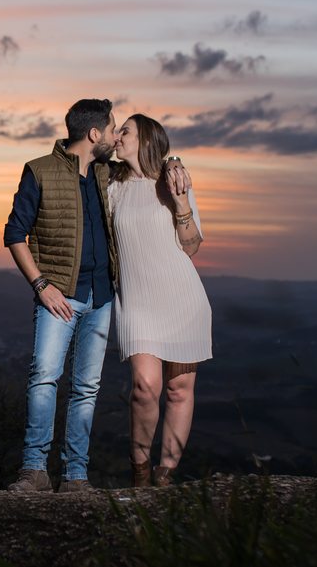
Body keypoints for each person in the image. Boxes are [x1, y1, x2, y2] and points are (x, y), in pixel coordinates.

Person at [1, 99, 119, 494]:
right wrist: (41, 285)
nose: (116, 137)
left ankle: (75, 475)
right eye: (113, 129)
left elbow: (146, 167)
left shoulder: (106, 173)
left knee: (86, 388)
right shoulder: (39, 170)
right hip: (60, 298)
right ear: (95, 133)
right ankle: (34, 469)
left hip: (101, 297)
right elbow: (14, 234)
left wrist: (173, 164)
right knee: (44, 378)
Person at [108, 113, 212, 488]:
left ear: (146, 141)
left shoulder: (173, 181)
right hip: (137, 303)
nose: (117, 136)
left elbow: (192, 247)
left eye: (126, 131)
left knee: (178, 391)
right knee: (145, 387)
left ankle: (165, 476)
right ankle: (139, 472)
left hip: (183, 299)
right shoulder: (112, 184)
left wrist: (181, 202)